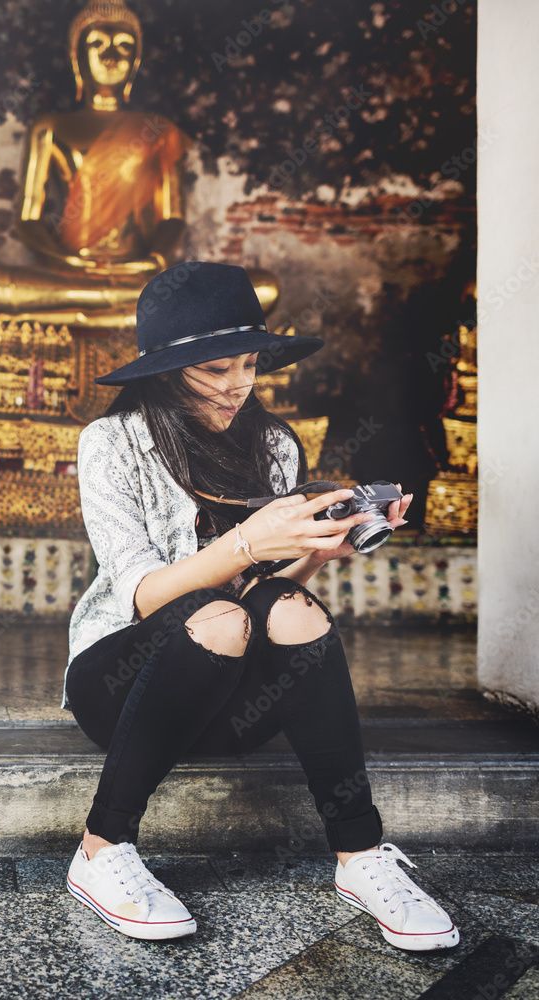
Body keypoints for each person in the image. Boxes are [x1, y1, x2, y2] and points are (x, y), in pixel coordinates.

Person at [61, 261, 460, 950]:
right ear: (166, 370)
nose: (239, 384)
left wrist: (322, 547)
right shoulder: (110, 443)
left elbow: (265, 588)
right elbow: (143, 593)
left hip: (228, 699)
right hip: (125, 686)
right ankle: (100, 849)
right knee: (216, 615)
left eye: (248, 364)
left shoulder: (273, 444)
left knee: (291, 605)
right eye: (216, 370)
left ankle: (360, 856)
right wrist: (247, 540)